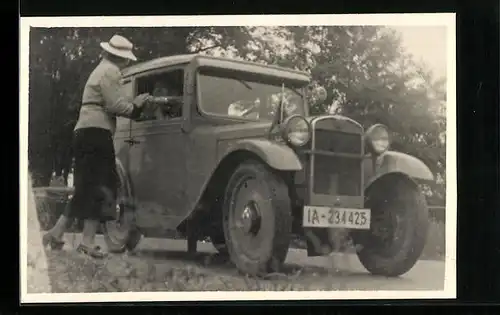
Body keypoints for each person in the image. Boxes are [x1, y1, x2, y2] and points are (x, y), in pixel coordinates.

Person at [42, 34, 151, 259]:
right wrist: (137, 106)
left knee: (86, 186)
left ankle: (56, 233)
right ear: (121, 58)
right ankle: (87, 242)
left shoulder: (99, 70)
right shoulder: (111, 71)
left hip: (85, 131)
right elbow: (115, 105)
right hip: (96, 133)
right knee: (102, 185)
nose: (127, 63)